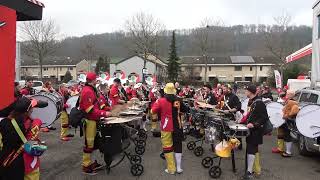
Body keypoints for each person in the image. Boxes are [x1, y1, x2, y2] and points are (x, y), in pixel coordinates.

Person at [151, 83, 188, 175]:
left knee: (168, 147)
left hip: (166, 127)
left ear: (165, 91)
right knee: (178, 146)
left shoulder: (160, 101)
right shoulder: (179, 100)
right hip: (178, 126)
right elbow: (186, 110)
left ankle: (171, 169)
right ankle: (179, 168)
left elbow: (152, 111)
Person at [79, 72, 111, 175]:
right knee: (89, 145)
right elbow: (90, 110)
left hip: (93, 120)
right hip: (89, 121)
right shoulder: (87, 91)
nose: (97, 81)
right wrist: (104, 113)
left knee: (93, 144)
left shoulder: (90, 89)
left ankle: (91, 163)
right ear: (92, 80)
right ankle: (86, 166)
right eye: (96, 79)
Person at [242, 85, 268, 180]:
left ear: (250, 92)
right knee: (250, 149)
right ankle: (251, 169)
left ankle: (249, 173)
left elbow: (264, 117)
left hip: (256, 131)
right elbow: (250, 115)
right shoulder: (252, 101)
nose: (245, 92)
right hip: (251, 131)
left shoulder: (259, 103)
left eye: (246, 91)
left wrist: (254, 124)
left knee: (251, 150)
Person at [272, 90, 299, 157]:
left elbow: (294, 112)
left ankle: (288, 152)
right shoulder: (288, 101)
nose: (286, 95)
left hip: (288, 122)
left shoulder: (292, 102)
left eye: (287, 94)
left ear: (290, 95)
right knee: (280, 134)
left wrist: (286, 115)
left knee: (287, 136)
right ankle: (280, 148)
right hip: (284, 121)